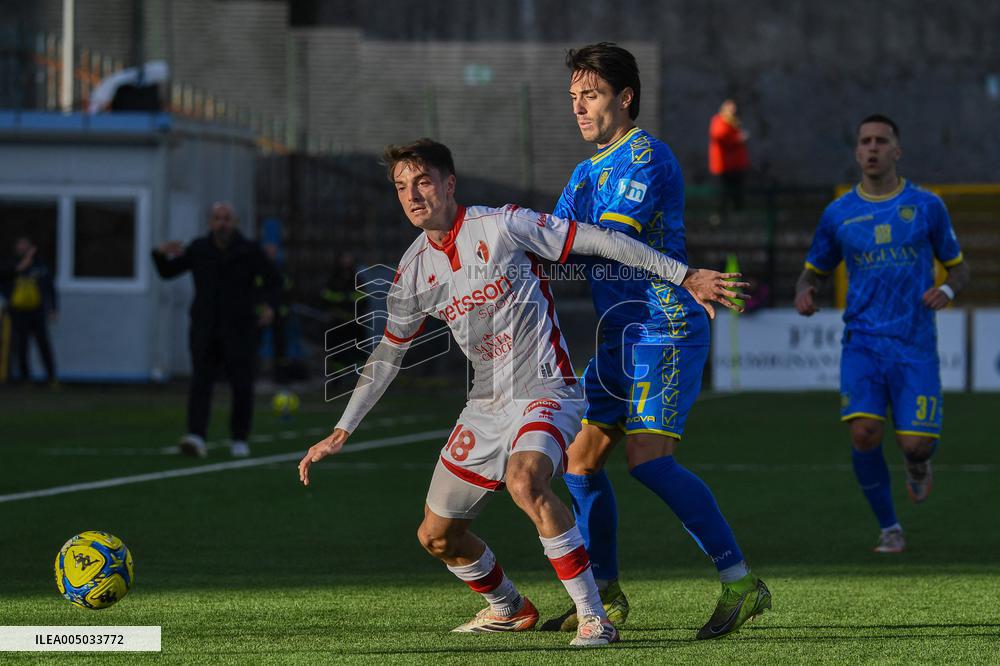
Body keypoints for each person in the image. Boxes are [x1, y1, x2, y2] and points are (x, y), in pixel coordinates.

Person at [297, 138, 744, 647]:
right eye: (401, 187)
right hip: (485, 406)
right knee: (437, 536)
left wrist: (682, 274)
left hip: (547, 389)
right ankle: (508, 607)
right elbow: (387, 356)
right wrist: (340, 431)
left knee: (526, 481)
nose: (412, 196)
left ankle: (595, 617)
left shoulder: (503, 224)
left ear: (449, 184)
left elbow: (600, 241)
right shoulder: (414, 270)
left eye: (422, 182)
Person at [542, 43, 770, 640]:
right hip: (618, 333)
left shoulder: (646, 157)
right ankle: (606, 594)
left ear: (626, 97)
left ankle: (741, 582)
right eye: (573, 97)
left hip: (663, 326)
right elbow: (554, 239)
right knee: (579, 458)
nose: (579, 107)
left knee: (647, 460)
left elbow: (598, 238)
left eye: (589, 95)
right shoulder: (585, 171)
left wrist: (548, 239)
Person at [794, 114, 969, 554]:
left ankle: (918, 465)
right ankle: (890, 527)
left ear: (897, 151)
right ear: (857, 152)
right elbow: (812, 271)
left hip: (914, 344)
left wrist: (947, 288)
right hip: (863, 343)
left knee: (915, 443)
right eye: (864, 141)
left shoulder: (927, 206)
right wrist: (805, 292)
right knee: (864, 434)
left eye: (881, 141)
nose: (872, 148)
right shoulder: (839, 213)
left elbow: (960, 267)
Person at [152, 201, 279, 458]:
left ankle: (239, 439)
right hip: (205, 328)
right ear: (210, 222)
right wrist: (158, 253)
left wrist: (268, 305)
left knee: (242, 385)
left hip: (240, 329)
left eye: (227, 218)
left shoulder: (249, 250)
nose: (222, 223)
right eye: (217, 218)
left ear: (235, 223)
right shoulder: (199, 248)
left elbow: (273, 280)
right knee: (200, 383)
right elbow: (168, 272)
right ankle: (196, 436)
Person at [4, 237, 58, 385]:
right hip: (18, 312)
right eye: (20, 245)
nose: (23, 248)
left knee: (43, 344)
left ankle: (51, 377)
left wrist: (53, 308)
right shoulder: (11, 263)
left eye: (26, 245)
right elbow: (5, 277)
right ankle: (24, 378)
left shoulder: (40, 266)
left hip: (37, 311)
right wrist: (21, 266)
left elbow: (50, 288)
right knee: (21, 345)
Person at [708, 99, 750, 218]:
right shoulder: (719, 121)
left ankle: (737, 214)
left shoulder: (734, 122)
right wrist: (737, 140)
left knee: (737, 191)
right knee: (722, 193)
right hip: (722, 164)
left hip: (735, 164)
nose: (733, 113)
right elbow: (719, 136)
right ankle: (719, 215)